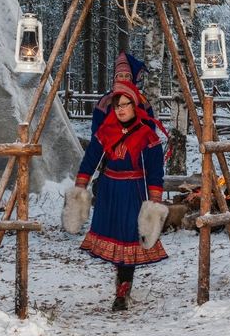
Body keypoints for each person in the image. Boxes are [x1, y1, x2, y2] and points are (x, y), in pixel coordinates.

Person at [61, 81, 169, 311]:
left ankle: (122, 292)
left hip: (134, 192)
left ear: (134, 105)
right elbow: (90, 160)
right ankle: (121, 280)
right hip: (109, 191)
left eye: (124, 105)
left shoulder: (148, 136)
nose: (119, 110)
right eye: (116, 106)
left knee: (129, 239)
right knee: (115, 239)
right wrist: (80, 190)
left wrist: (154, 203)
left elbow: (156, 173)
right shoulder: (105, 132)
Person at [91, 53, 156, 137]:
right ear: (116, 78)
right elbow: (97, 128)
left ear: (131, 78)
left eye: (127, 75)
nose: (124, 78)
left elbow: (150, 125)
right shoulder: (105, 101)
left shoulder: (141, 101)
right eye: (121, 75)